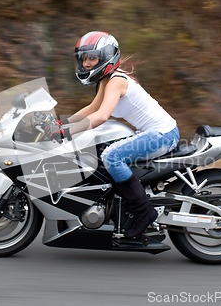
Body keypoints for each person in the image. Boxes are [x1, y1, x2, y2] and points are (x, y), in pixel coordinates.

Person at [45, 31, 180, 238]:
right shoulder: (106, 80)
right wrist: (59, 125)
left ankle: (144, 213)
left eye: (92, 57)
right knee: (101, 153)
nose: (87, 63)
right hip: (153, 133)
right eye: (84, 58)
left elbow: (100, 117)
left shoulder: (116, 80)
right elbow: (92, 108)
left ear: (107, 56)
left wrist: (67, 132)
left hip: (163, 134)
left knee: (111, 156)